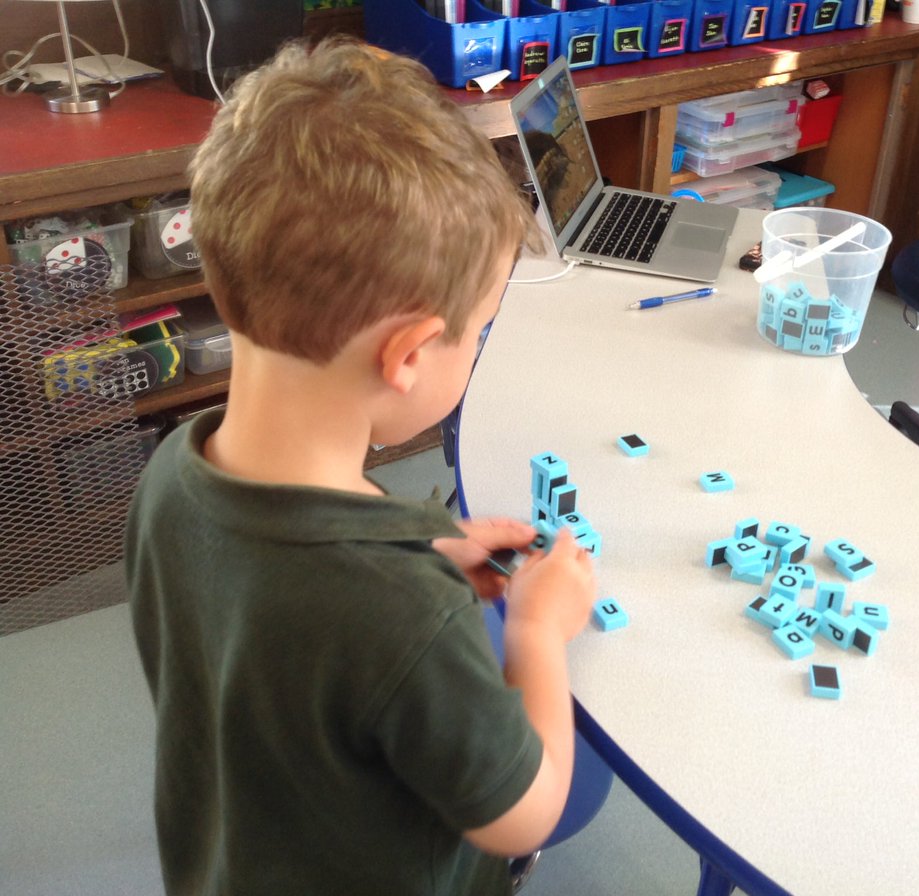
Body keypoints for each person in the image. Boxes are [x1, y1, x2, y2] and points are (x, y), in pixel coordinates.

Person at [124, 38, 597, 896]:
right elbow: (526, 814)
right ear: (409, 354)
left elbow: (279, 624)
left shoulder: (171, 475)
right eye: (479, 330)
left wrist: (422, 554)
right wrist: (537, 630)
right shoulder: (402, 615)